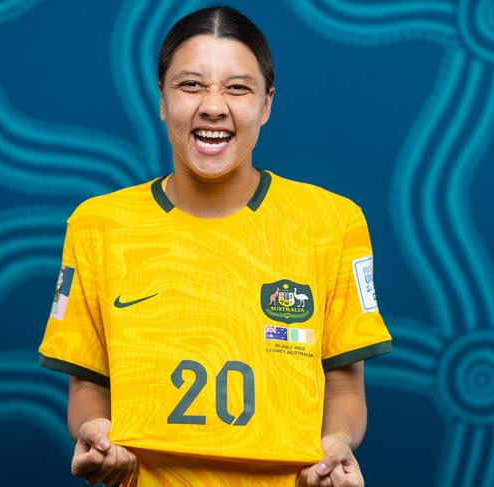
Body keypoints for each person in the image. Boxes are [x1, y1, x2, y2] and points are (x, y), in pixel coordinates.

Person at [38, 6, 392, 486]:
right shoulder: (98, 225)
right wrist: (94, 432)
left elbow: (346, 386)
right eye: (191, 84)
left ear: (267, 104)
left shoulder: (332, 222)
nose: (212, 105)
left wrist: (336, 446)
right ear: (162, 98)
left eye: (237, 87)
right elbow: (87, 383)